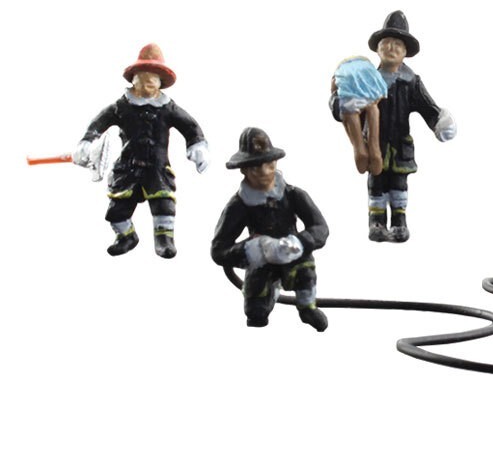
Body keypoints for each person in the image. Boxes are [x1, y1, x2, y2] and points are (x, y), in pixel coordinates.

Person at [329, 11, 456, 243]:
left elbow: (427, 106)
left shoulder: (411, 82)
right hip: (373, 144)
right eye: (386, 43)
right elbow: (342, 105)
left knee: (399, 184)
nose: (391, 48)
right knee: (376, 183)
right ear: (378, 48)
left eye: (397, 44)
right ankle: (376, 221)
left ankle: (399, 221)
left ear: (405, 51)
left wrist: (439, 121)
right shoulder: (364, 79)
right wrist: (340, 104)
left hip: (399, 146)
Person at [72, 43, 208, 258]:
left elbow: (190, 127)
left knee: (164, 205)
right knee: (116, 211)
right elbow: (98, 123)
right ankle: (126, 236)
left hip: (157, 169)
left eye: (152, 80)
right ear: (133, 80)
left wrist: (197, 145)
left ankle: (164, 240)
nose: (147, 84)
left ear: (160, 82)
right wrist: (87, 142)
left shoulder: (168, 108)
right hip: (127, 169)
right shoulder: (122, 106)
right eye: (142, 79)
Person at [210, 127, 329, 331]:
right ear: (244, 170)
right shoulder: (239, 205)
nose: (264, 172)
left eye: (269, 164)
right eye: (256, 167)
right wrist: (253, 249)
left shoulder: (294, 195)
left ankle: (307, 307)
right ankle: (266, 298)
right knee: (256, 314)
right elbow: (219, 250)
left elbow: (320, 228)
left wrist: (299, 243)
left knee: (305, 271)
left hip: (293, 256)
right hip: (261, 263)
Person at [331, 56, 387, 175]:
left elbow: (334, 92)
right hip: (371, 92)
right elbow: (381, 88)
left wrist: (334, 92)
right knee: (373, 108)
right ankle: (375, 148)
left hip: (348, 91)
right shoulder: (369, 69)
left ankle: (359, 148)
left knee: (349, 116)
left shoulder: (341, 71)